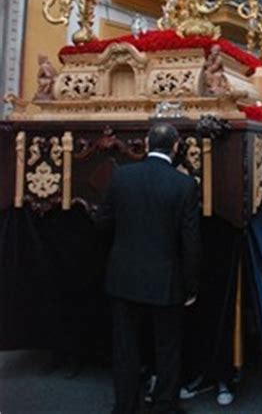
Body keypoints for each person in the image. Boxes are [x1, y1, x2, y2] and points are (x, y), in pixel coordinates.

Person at [98, 122, 201, 414]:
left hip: (124, 276)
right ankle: (164, 405)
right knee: (167, 349)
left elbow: (103, 222)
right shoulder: (184, 185)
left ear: (145, 141)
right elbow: (191, 242)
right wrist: (191, 285)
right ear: (177, 146)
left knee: (125, 349)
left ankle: (125, 406)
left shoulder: (121, 177)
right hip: (166, 280)